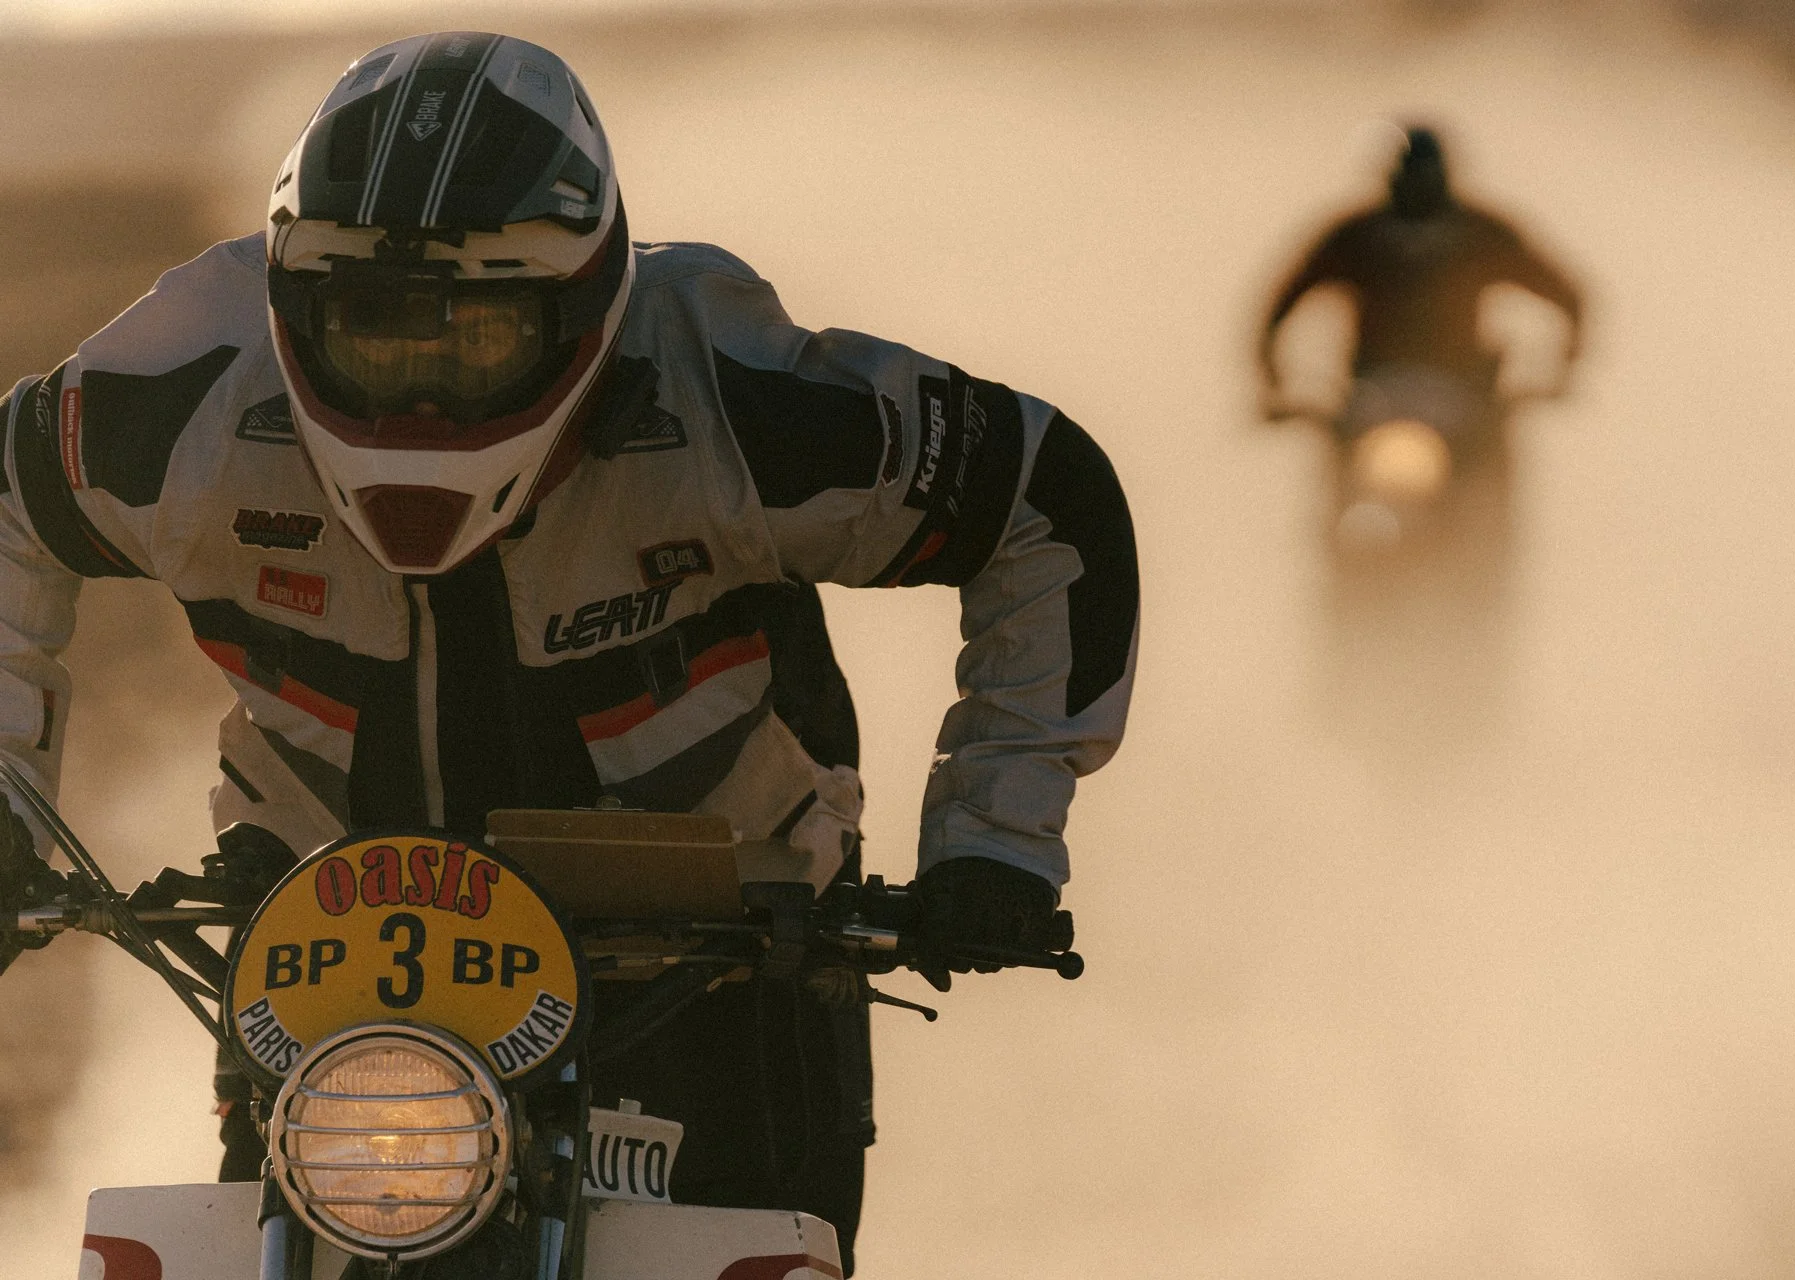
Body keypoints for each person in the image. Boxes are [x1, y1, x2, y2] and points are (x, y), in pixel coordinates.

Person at [0, 32, 1138, 1273]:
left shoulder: (732, 393)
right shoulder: (178, 397)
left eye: (476, 334)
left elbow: (1039, 493)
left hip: (719, 942)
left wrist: (996, 837)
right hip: (324, 914)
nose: (419, 396)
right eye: (374, 327)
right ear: (289, 304)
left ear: (591, 302)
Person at [1257, 125, 1584, 436]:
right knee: (1335, 447)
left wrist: (1562, 371)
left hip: (1465, 398)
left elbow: (1566, 296)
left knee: (1491, 453)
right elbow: (1281, 306)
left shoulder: (1480, 234)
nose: (1416, 188)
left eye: (1423, 178)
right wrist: (1275, 385)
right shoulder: (1357, 238)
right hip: (1372, 396)